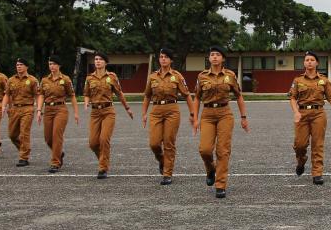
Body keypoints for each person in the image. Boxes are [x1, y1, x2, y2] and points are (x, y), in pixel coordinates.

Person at [192, 46, 248, 197]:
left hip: (225, 113)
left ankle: (220, 184)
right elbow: (196, 97)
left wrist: (243, 117)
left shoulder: (230, 75)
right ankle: (211, 169)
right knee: (204, 149)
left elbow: (239, 96)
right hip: (207, 114)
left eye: (218, 55)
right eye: (212, 55)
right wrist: (195, 118)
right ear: (209, 58)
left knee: (223, 150)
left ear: (223, 58)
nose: (215, 57)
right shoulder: (202, 76)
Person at [288, 51, 331, 183]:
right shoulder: (298, 80)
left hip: (318, 114)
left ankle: (317, 173)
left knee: (317, 144)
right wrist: (296, 112)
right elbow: (292, 97)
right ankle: (301, 160)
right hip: (302, 114)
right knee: (299, 145)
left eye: (312, 60)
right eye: (307, 60)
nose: (309, 62)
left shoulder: (324, 80)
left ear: (317, 63)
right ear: (304, 63)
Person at [142, 48, 194, 185]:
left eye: (166, 57)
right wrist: (144, 113)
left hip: (172, 110)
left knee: (169, 142)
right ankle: (162, 160)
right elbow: (147, 96)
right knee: (154, 143)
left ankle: (167, 173)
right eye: (161, 57)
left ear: (171, 60)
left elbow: (187, 96)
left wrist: (192, 113)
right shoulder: (152, 76)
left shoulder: (177, 76)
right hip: (156, 110)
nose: (163, 59)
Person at [84, 52, 134, 179]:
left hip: (108, 111)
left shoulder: (112, 77)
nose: (98, 61)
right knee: (93, 143)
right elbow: (86, 94)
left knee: (104, 139)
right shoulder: (89, 78)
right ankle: (103, 159)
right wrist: (86, 103)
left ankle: (103, 168)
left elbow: (119, 93)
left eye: (100, 59)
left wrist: (127, 108)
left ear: (106, 63)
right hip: (95, 112)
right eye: (96, 59)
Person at [39, 56, 79, 173]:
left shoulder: (65, 79)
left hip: (61, 109)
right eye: (50, 64)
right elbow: (41, 94)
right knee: (48, 138)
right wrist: (38, 110)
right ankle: (59, 153)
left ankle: (55, 162)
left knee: (57, 135)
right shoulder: (45, 80)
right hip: (48, 109)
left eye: (54, 64)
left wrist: (76, 112)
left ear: (59, 65)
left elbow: (72, 95)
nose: (52, 66)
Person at [4, 58, 40, 166]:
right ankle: (24, 149)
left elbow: (37, 95)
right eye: (17, 65)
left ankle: (24, 157)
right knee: (12, 134)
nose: (19, 66)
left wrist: (38, 109)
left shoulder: (33, 80)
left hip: (27, 108)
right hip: (14, 108)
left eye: (21, 64)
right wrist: (4, 106)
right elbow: (7, 94)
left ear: (26, 67)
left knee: (24, 133)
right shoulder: (11, 80)